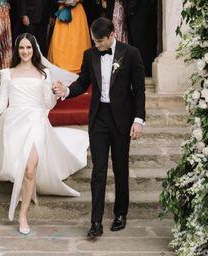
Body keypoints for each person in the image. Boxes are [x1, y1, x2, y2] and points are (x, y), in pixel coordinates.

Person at [0, 33, 89, 235]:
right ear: (17, 50)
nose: (25, 51)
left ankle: (23, 215)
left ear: (34, 49)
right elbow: (3, 103)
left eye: (29, 48)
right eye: (21, 48)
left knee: (30, 168)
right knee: (16, 167)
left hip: (37, 121)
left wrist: (55, 92)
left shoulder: (44, 73)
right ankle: (24, 190)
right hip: (13, 122)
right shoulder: (7, 73)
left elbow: (47, 103)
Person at [53, 18, 145, 238]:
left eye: (100, 41)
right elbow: (83, 83)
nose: (97, 45)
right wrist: (66, 91)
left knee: (121, 168)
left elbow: (139, 89)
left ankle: (120, 214)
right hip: (99, 119)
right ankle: (95, 221)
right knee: (99, 170)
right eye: (94, 41)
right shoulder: (90, 54)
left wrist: (139, 119)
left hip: (122, 119)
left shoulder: (130, 53)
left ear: (112, 34)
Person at [48, 0, 91, 74]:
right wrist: (65, 1)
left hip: (78, 13)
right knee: (62, 39)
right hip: (64, 10)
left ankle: (79, 64)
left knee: (77, 39)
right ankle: (60, 64)